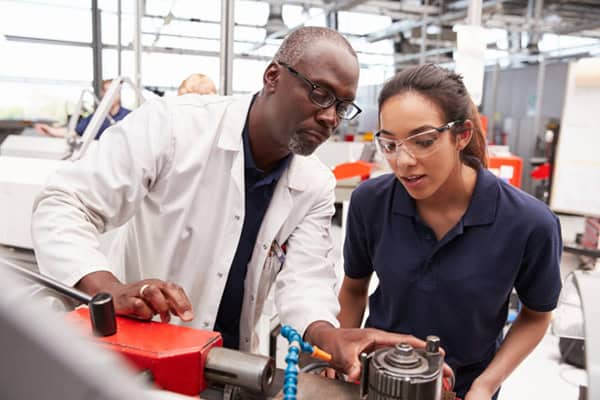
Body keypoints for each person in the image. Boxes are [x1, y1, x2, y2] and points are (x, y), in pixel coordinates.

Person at [31, 27, 423, 380]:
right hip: (139, 354)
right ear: (273, 76)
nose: (329, 117)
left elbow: (305, 281)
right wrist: (108, 290)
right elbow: (64, 202)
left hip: (232, 367)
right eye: (320, 93)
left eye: (342, 106)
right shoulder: (172, 127)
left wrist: (330, 335)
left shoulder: (314, 183)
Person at [337, 64, 562, 399]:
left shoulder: (529, 223)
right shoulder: (370, 203)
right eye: (390, 144)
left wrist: (486, 385)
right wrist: (345, 354)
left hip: (464, 389)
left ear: (462, 135)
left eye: (423, 141)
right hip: (376, 380)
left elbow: (536, 316)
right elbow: (354, 289)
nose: (404, 161)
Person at [35, 79, 131, 141]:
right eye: (107, 91)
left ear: (119, 93)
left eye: (113, 91)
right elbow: (73, 132)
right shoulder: (95, 117)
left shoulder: (129, 116)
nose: (110, 95)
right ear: (102, 94)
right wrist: (50, 130)